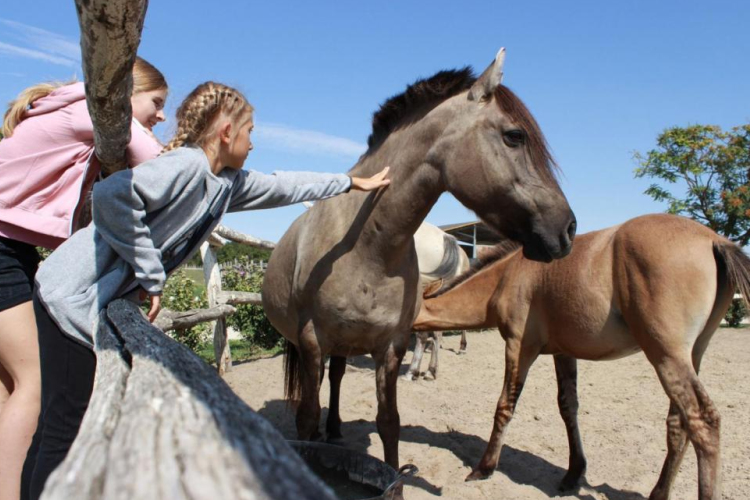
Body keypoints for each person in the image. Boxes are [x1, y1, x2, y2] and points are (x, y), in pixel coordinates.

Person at [22, 81, 389, 498]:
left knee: (61, 420)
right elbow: (111, 196)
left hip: (84, 299)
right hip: (70, 296)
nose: (254, 144)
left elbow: (285, 185)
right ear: (226, 132)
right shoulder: (187, 165)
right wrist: (150, 272)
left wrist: (349, 182)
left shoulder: (225, 183)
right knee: (66, 425)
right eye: (250, 132)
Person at [0, 57, 168, 500]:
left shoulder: (66, 112)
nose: (162, 115)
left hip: (10, 247)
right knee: (36, 382)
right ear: (127, 94)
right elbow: (156, 164)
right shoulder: (90, 112)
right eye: (157, 102)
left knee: (11, 383)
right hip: (0, 248)